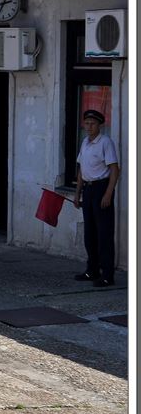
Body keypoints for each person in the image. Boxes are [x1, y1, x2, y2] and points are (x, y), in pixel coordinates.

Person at [73, 109, 120, 287]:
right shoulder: (85, 142)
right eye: (87, 123)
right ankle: (91, 270)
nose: (89, 127)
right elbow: (81, 170)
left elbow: (115, 169)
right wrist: (78, 193)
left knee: (104, 234)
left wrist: (108, 193)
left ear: (99, 125)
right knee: (90, 234)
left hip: (102, 187)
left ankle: (107, 274)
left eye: (93, 124)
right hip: (88, 188)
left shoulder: (105, 142)